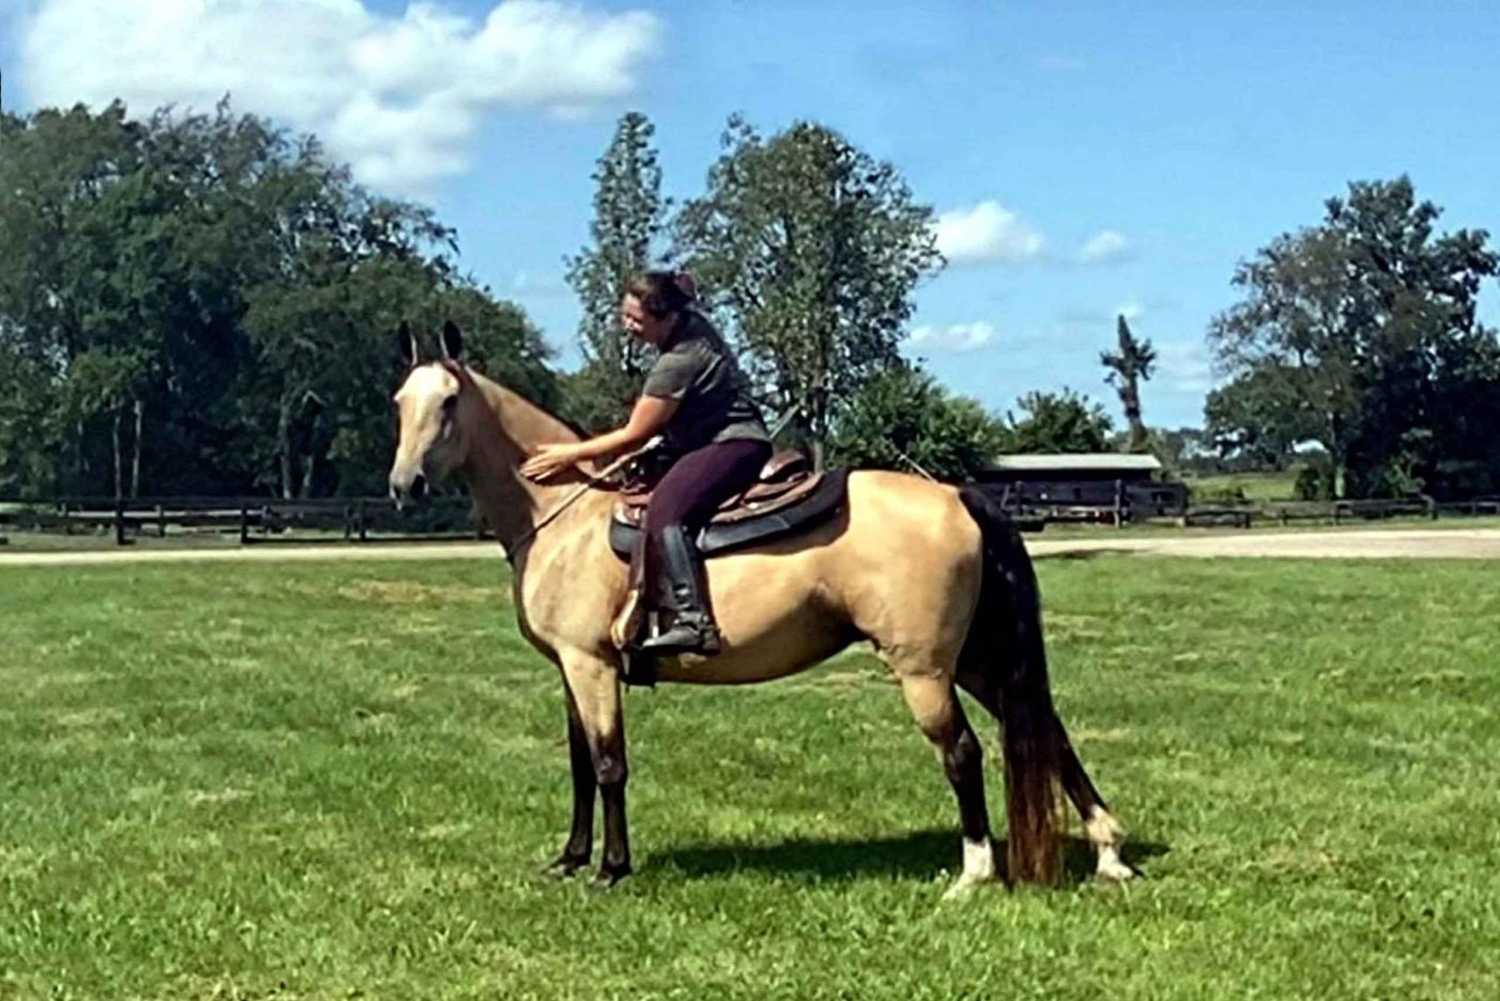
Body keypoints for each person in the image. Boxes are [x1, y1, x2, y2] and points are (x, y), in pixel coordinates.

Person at [520, 271, 772, 655]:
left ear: (666, 317)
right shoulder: (689, 324)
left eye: (636, 319)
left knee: (666, 510)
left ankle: (694, 620)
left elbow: (634, 433)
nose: (628, 326)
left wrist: (569, 453)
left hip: (733, 443)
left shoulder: (680, 360)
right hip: (703, 440)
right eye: (624, 315)